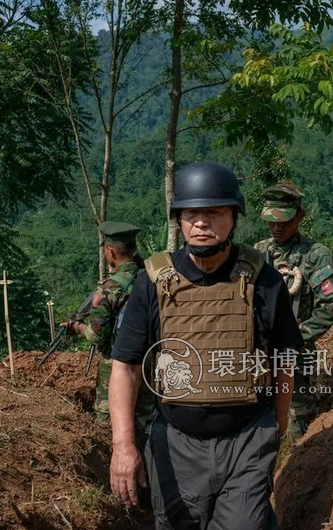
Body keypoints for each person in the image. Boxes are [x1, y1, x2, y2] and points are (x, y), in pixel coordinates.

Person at [107, 162, 303, 529]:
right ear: (179, 221)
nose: (201, 222)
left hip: (247, 439)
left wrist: (276, 425)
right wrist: (123, 446)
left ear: (233, 217)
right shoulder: (153, 280)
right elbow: (126, 366)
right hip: (177, 443)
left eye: (214, 212)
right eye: (191, 214)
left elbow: (284, 358)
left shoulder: (264, 279)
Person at [254, 183, 333, 440]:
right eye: (271, 222)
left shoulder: (315, 255)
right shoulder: (258, 252)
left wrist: (293, 340)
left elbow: (327, 308)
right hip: (260, 355)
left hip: (296, 356)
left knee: (296, 425)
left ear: (300, 216)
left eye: (284, 221)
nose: (277, 227)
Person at [62, 221, 152, 434]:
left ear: (110, 251)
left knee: (110, 424)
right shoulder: (149, 278)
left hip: (117, 367)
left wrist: (77, 326)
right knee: (145, 420)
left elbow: (97, 336)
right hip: (149, 363)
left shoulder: (109, 288)